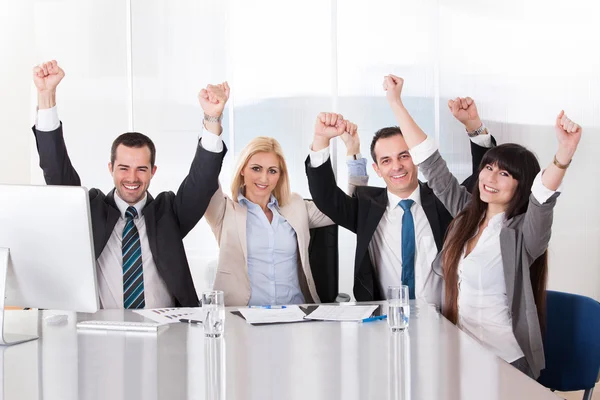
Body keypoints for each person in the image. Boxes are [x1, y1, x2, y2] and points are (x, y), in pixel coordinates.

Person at [383, 74, 582, 379]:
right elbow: (431, 162)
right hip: (459, 355)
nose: (490, 178)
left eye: (504, 174)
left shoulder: (522, 235)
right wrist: (395, 103)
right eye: (488, 168)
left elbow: (543, 199)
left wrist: (564, 154)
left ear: (521, 185)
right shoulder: (466, 215)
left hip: (505, 363)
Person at [31, 60, 228, 309]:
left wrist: (212, 118)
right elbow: (56, 170)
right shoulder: (89, 210)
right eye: (123, 168)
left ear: (153, 171)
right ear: (111, 168)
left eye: (141, 169)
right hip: (101, 334)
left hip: (165, 334)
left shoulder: (169, 214)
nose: (132, 178)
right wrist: (46, 94)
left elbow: (202, 182)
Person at [305, 104, 495, 301]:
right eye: (386, 161)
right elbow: (326, 197)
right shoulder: (367, 208)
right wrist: (321, 139)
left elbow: (481, 183)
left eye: (404, 156)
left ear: (416, 158)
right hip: (384, 319)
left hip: (441, 319)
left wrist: (475, 128)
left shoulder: (443, 199)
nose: (397, 166)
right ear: (377, 169)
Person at [203, 120, 360, 306]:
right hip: (242, 319)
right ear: (242, 169)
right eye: (256, 168)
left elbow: (348, 207)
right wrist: (213, 119)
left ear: (280, 175)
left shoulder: (296, 206)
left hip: (295, 316)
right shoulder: (223, 210)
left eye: (272, 171)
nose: (264, 178)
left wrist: (353, 150)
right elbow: (205, 174)